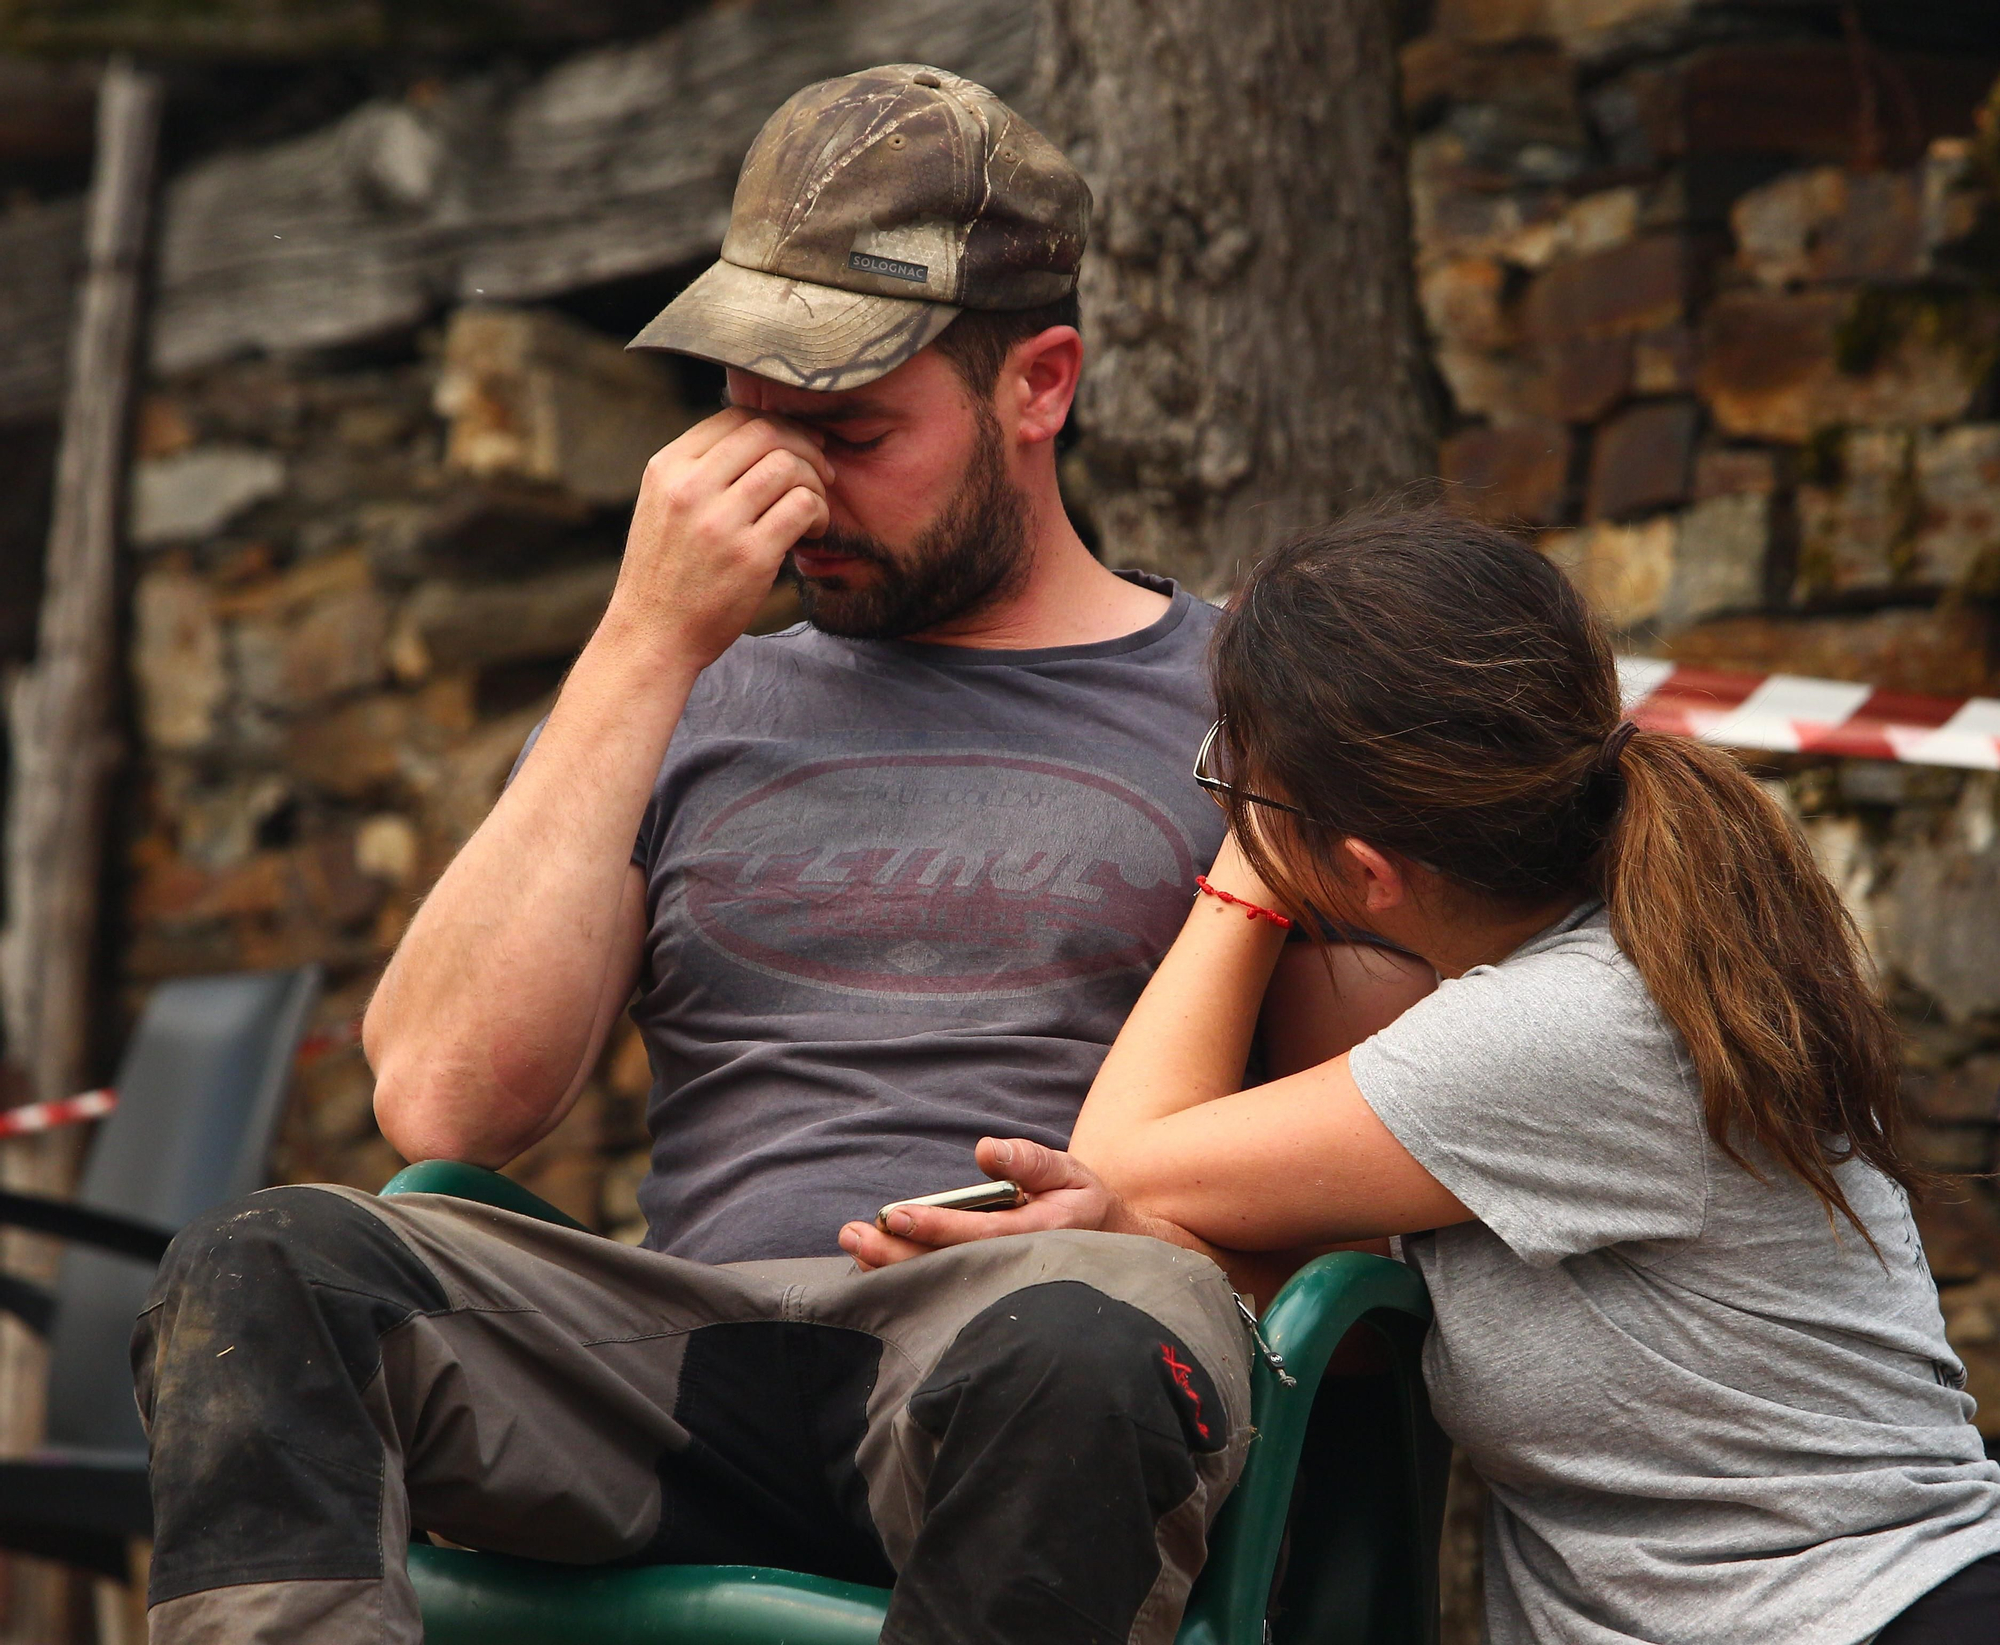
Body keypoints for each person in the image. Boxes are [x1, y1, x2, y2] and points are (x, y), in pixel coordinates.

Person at [131, 65, 1430, 1644]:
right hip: (683, 1354)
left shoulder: (1250, 704)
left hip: (1029, 1339)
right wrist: (641, 641)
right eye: (753, 414)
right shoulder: (675, 686)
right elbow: (446, 1103)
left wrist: (1161, 1226)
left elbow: (1397, 1149)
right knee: (267, 1266)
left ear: (1042, 385)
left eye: (853, 427)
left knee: (1090, 1341)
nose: (789, 486)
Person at [844, 508, 2000, 1644]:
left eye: (1231, 780)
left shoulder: (1563, 1026)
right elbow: (1172, 1195)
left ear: (1365, 869)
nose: (1225, 805)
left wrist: (1246, 873)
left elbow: (1125, 1157)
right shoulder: (1621, 959)